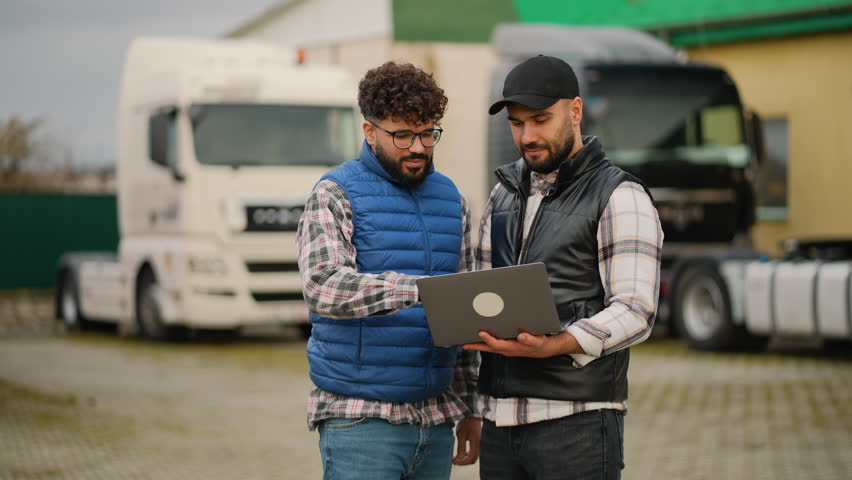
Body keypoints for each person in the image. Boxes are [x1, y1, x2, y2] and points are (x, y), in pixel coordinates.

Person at [465, 55, 663, 479]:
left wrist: (554, 344)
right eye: (517, 123)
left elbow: (635, 310)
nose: (528, 135)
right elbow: (481, 302)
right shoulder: (500, 200)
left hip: (578, 424)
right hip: (501, 426)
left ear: (575, 111)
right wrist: (475, 409)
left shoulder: (620, 196)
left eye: (540, 119)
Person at [296, 61, 480, 480]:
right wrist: (418, 289)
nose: (418, 147)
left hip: (435, 421)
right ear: (369, 131)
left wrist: (471, 409)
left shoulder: (453, 200)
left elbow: (466, 312)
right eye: (402, 135)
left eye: (428, 133)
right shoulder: (334, 193)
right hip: (360, 420)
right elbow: (323, 286)